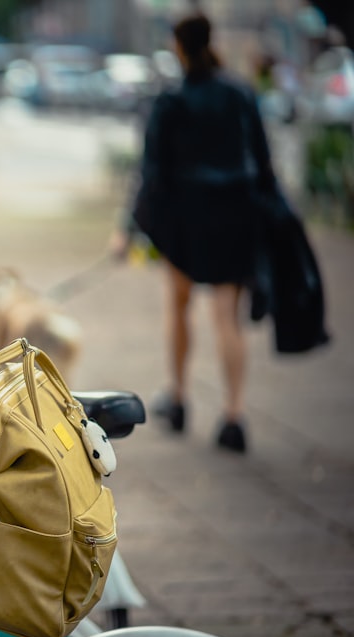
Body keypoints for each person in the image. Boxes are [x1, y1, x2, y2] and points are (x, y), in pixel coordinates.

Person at [115, 12, 279, 453]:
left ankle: (181, 397)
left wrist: (128, 229)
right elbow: (263, 161)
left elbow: (150, 173)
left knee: (180, 305)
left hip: (185, 221)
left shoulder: (170, 100)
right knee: (227, 317)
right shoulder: (241, 94)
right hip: (234, 217)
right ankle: (234, 415)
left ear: (178, 45)